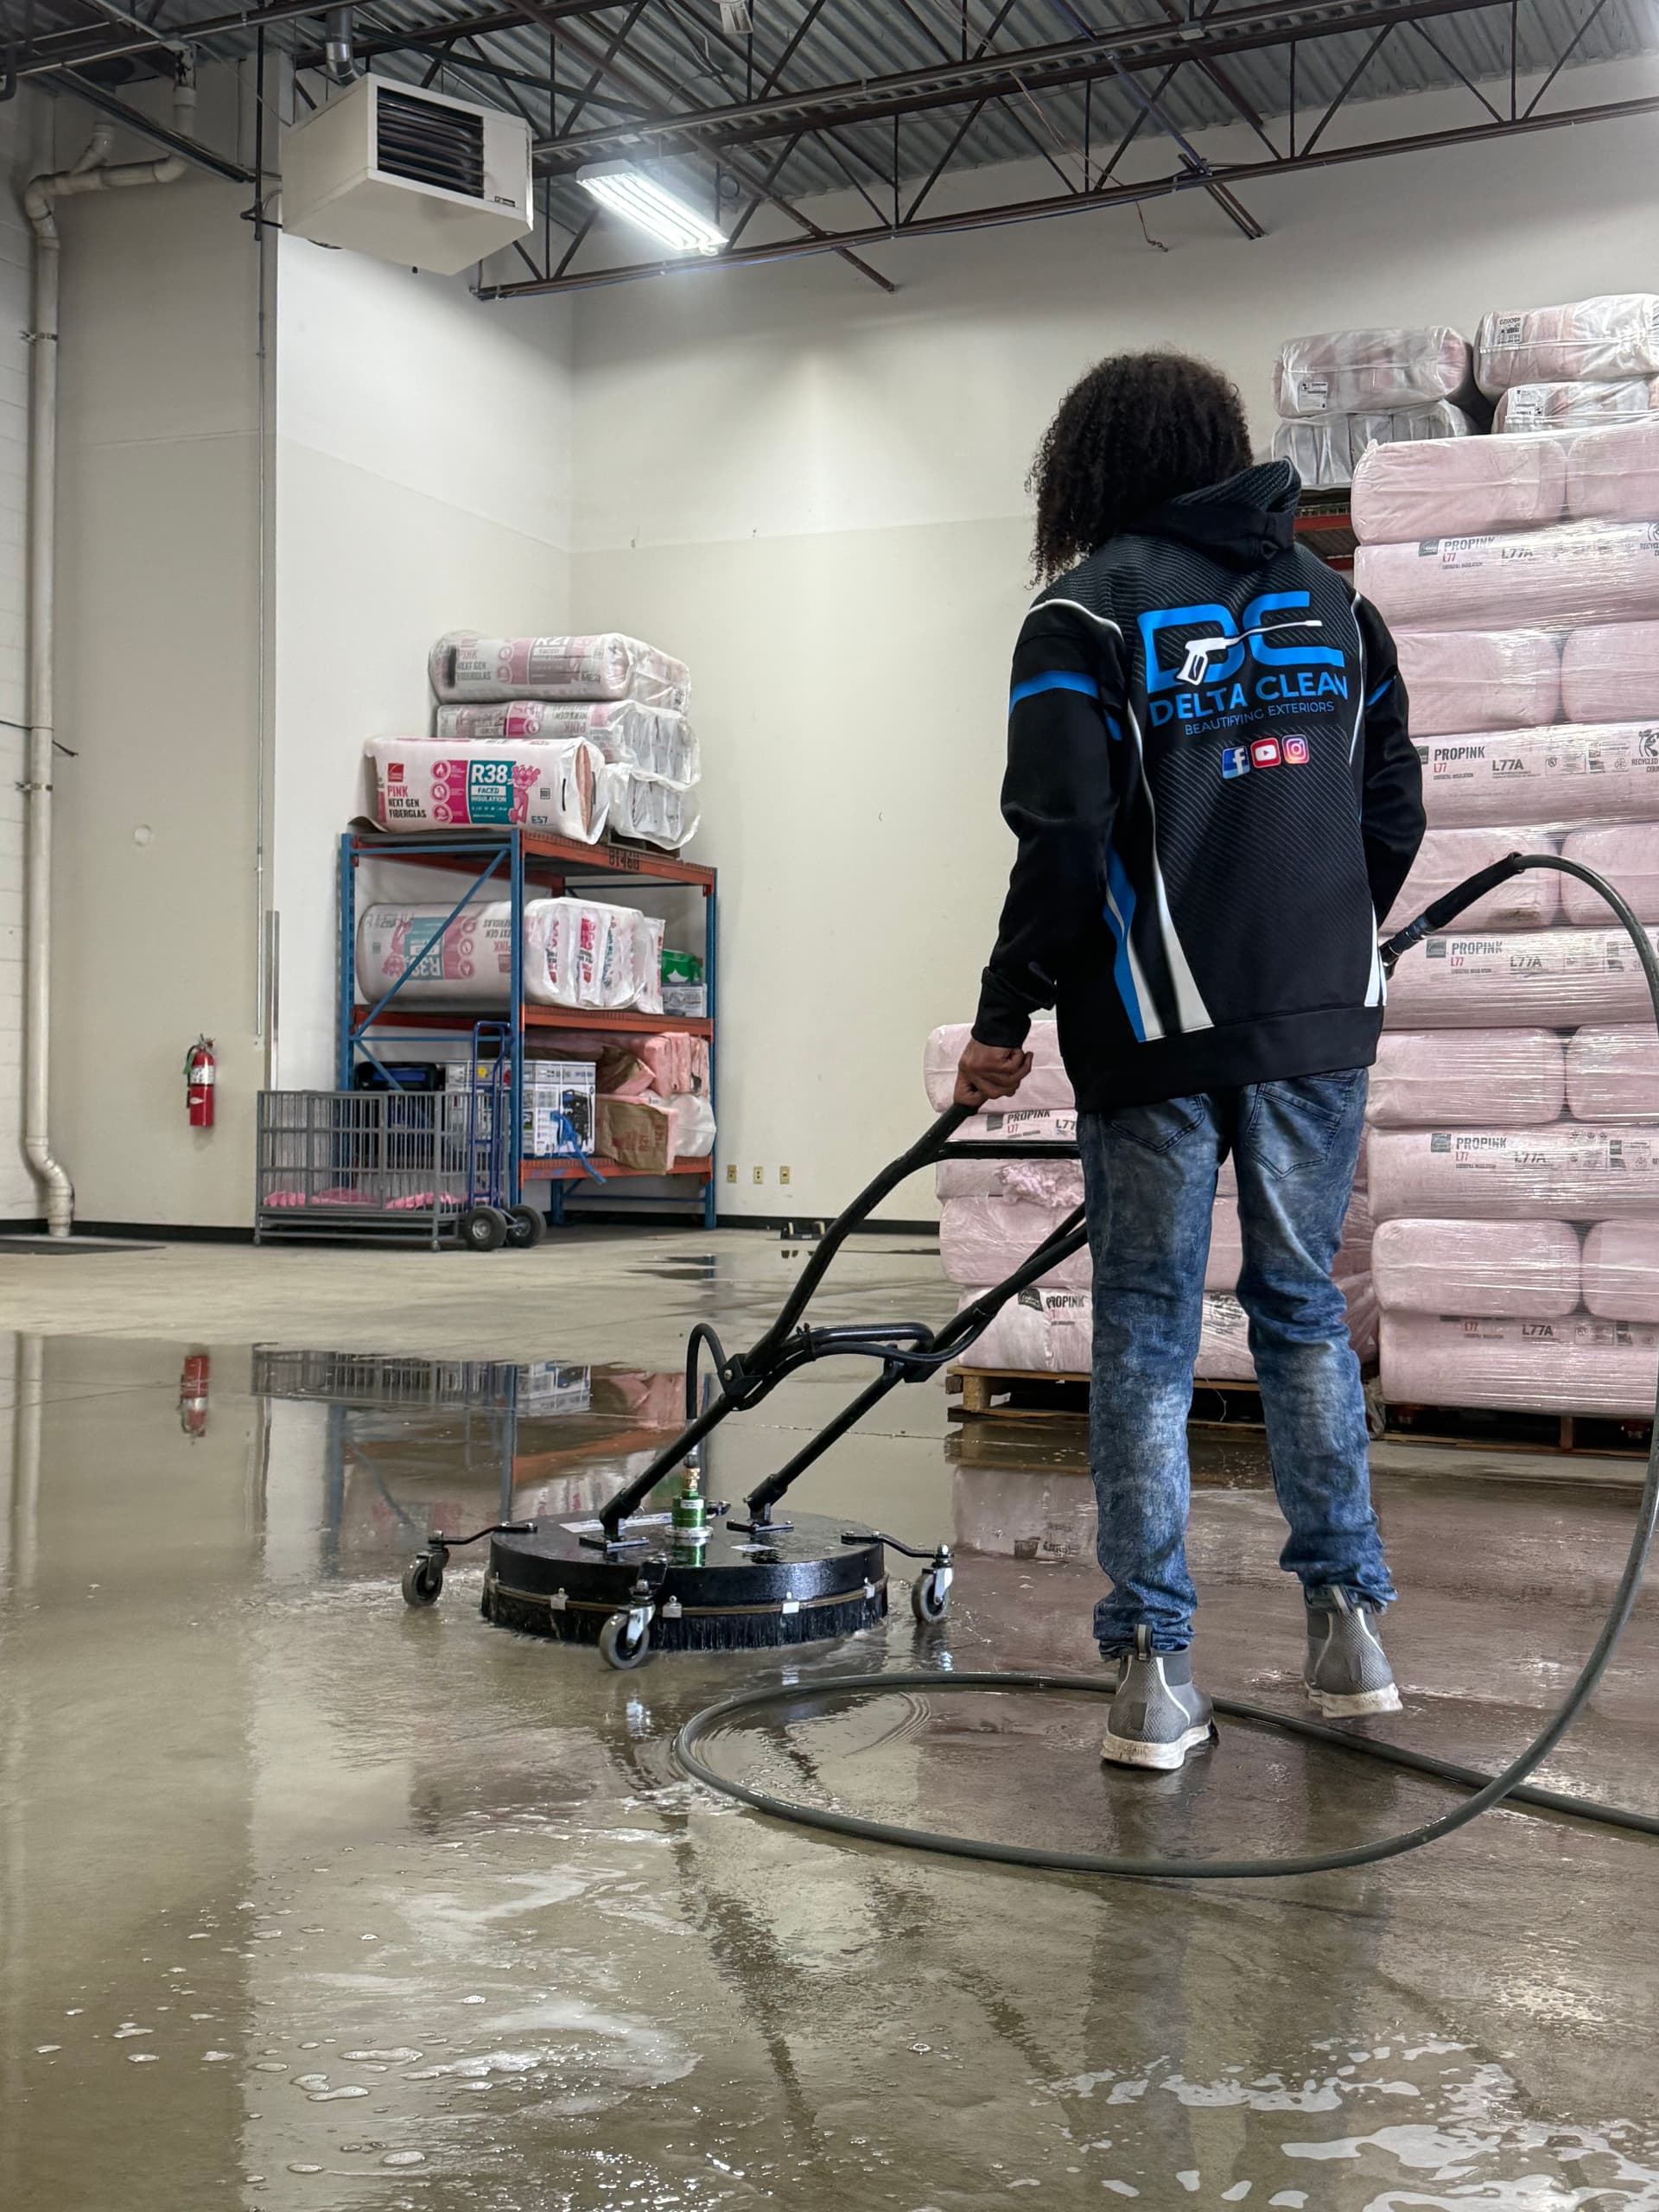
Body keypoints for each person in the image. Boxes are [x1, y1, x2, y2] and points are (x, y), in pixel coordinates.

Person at [955, 351, 1425, 1771]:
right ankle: (1350, 1634)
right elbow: (1392, 809)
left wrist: (1003, 1018)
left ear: (1090, 466)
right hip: (1315, 1025)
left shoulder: (1083, 613)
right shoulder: (1338, 605)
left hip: (1152, 1028)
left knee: (1149, 1335)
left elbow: (1062, 839)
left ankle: (1153, 1673)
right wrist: (1321, 944)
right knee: (1301, 1311)